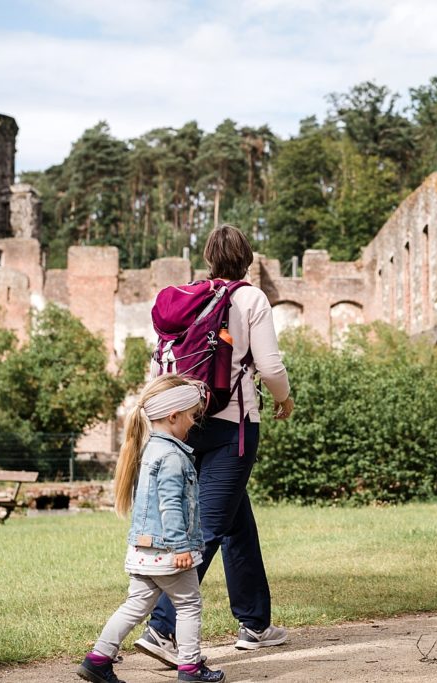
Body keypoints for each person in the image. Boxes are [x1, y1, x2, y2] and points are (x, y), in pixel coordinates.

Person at [135, 224, 295, 667]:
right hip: (233, 424)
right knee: (207, 528)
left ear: (208, 257)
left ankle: (256, 625)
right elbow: (269, 364)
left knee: (236, 523)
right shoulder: (250, 298)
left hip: (185, 422)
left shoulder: (188, 298)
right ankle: (163, 629)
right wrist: (284, 398)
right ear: (247, 259)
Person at [76, 374, 224, 683]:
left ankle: (98, 659)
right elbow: (170, 506)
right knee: (188, 604)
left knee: (135, 605)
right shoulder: (172, 457)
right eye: (191, 417)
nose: (193, 424)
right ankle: (190, 668)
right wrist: (181, 546)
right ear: (173, 416)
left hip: (143, 550)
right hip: (168, 551)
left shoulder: (151, 451)